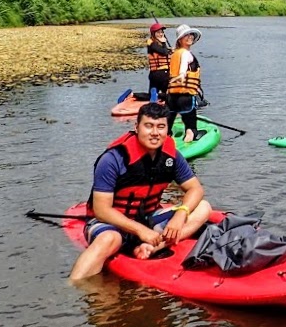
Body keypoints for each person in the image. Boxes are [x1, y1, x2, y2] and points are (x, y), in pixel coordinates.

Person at [69, 102, 213, 281]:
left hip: (148, 219)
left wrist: (180, 215)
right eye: (148, 126)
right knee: (109, 240)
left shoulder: (172, 156)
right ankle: (72, 286)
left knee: (203, 207)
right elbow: (101, 210)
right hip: (112, 223)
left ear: (167, 129)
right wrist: (139, 231)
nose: (155, 133)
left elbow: (195, 189)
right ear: (136, 127)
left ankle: (152, 247)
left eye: (161, 127)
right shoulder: (112, 159)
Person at [167, 24, 204, 143]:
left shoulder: (174, 54)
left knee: (166, 129)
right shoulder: (185, 54)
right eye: (186, 35)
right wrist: (182, 74)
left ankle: (164, 145)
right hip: (185, 98)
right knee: (191, 129)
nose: (190, 37)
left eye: (190, 35)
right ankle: (187, 151)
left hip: (171, 98)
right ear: (180, 39)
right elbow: (183, 68)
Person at [146, 23, 172, 101]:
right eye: (158, 32)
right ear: (153, 34)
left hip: (154, 75)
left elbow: (165, 51)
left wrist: (170, 50)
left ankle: (133, 95)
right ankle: (159, 97)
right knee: (168, 94)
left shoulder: (155, 44)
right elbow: (163, 52)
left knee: (150, 95)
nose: (161, 34)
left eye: (162, 32)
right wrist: (164, 43)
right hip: (162, 74)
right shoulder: (152, 44)